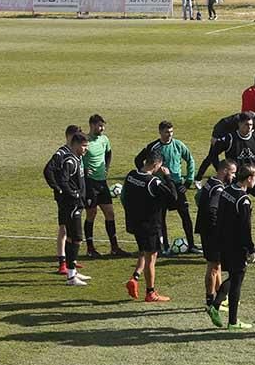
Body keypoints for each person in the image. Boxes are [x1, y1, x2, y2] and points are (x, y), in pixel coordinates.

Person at [197, 112, 255, 243]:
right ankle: (228, 235)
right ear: (239, 124)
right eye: (246, 125)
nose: (249, 128)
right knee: (234, 211)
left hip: (253, 180)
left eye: (251, 125)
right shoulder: (229, 139)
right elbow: (213, 154)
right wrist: (222, 171)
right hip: (236, 183)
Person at [206, 163, 255, 330]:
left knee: (233, 277)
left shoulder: (226, 190)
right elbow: (245, 229)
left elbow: (219, 215)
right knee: (237, 281)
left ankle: (215, 306)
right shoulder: (243, 200)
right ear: (249, 178)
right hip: (237, 246)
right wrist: (250, 249)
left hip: (223, 242)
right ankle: (233, 321)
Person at [121, 150, 178, 302]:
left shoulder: (131, 175)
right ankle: (150, 292)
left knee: (143, 252)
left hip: (134, 223)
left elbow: (125, 197)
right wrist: (168, 177)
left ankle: (135, 278)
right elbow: (173, 198)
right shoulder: (153, 182)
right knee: (151, 257)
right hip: (150, 226)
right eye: (160, 165)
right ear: (155, 164)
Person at [134, 121, 197, 255]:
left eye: (171, 132)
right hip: (161, 186)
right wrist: (147, 176)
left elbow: (190, 159)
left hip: (177, 184)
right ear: (160, 132)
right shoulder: (153, 146)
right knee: (160, 218)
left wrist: (188, 181)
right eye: (167, 132)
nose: (169, 135)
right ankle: (165, 247)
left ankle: (191, 245)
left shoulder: (178, 145)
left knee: (185, 215)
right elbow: (138, 160)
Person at [45, 124, 87, 274]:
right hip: (65, 197)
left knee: (69, 230)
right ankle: (63, 262)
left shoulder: (74, 154)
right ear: (70, 137)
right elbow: (48, 170)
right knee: (64, 228)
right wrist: (58, 188)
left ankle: (71, 261)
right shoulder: (62, 153)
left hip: (71, 196)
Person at [196, 159, 237, 311]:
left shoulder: (209, 182)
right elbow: (213, 210)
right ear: (225, 171)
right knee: (213, 267)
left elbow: (198, 199)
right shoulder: (219, 189)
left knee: (217, 265)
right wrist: (218, 229)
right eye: (232, 173)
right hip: (212, 233)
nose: (233, 176)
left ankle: (221, 298)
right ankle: (210, 300)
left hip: (205, 230)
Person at [82, 114, 124, 257]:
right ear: (92, 125)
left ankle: (114, 247)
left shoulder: (104, 139)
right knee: (91, 214)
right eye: (100, 125)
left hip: (102, 182)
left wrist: (106, 168)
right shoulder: (85, 141)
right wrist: (84, 170)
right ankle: (90, 248)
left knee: (110, 213)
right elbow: (77, 156)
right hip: (90, 184)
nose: (102, 128)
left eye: (103, 125)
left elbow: (109, 152)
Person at [55, 133, 90, 286]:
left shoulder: (78, 159)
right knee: (76, 239)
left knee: (71, 238)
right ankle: (71, 276)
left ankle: (72, 272)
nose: (85, 149)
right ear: (75, 145)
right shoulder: (70, 160)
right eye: (83, 146)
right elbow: (62, 181)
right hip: (72, 205)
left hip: (77, 204)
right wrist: (74, 194)